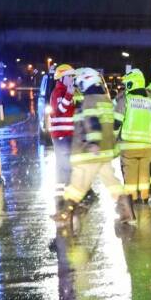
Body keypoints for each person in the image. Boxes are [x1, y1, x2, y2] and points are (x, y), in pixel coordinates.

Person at [58, 68, 134, 224]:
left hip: (88, 152)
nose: (79, 86)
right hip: (105, 150)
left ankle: (65, 213)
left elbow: (92, 123)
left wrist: (93, 144)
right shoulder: (105, 100)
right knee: (111, 182)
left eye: (80, 83)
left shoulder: (89, 100)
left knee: (77, 183)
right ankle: (126, 210)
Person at [116, 69, 151, 204]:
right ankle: (144, 200)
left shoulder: (126, 101)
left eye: (127, 83)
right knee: (144, 176)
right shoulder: (150, 102)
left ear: (132, 84)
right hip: (146, 147)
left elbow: (116, 123)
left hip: (129, 146)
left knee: (130, 178)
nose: (125, 86)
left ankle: (132, 202)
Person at [48, 64, 77, 209]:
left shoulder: (66, 91)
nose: (72, 79)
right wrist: (69, 95)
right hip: (61, 134)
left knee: (67, 165)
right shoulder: (58, 92)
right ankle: (62, 195)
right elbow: (59, 110)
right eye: (70, 76)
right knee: (64, 165)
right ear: (62, 77)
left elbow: (71, 112)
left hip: (68, 134)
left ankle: (64, 193)